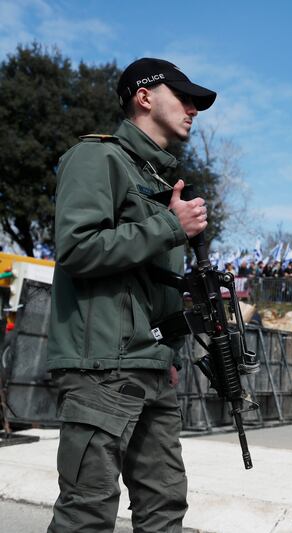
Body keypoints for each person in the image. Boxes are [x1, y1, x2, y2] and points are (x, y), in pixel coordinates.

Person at [47, 57, 216, 532]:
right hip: (101, 367)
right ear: (144, 97)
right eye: (183, 97)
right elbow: (76, 249)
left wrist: (171, 352)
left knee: (165, 508)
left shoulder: (162, 183)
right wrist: (168, 226)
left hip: (150, 368)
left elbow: (149, 285)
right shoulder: (96, 158)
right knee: (88, 511)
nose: (192, 109)